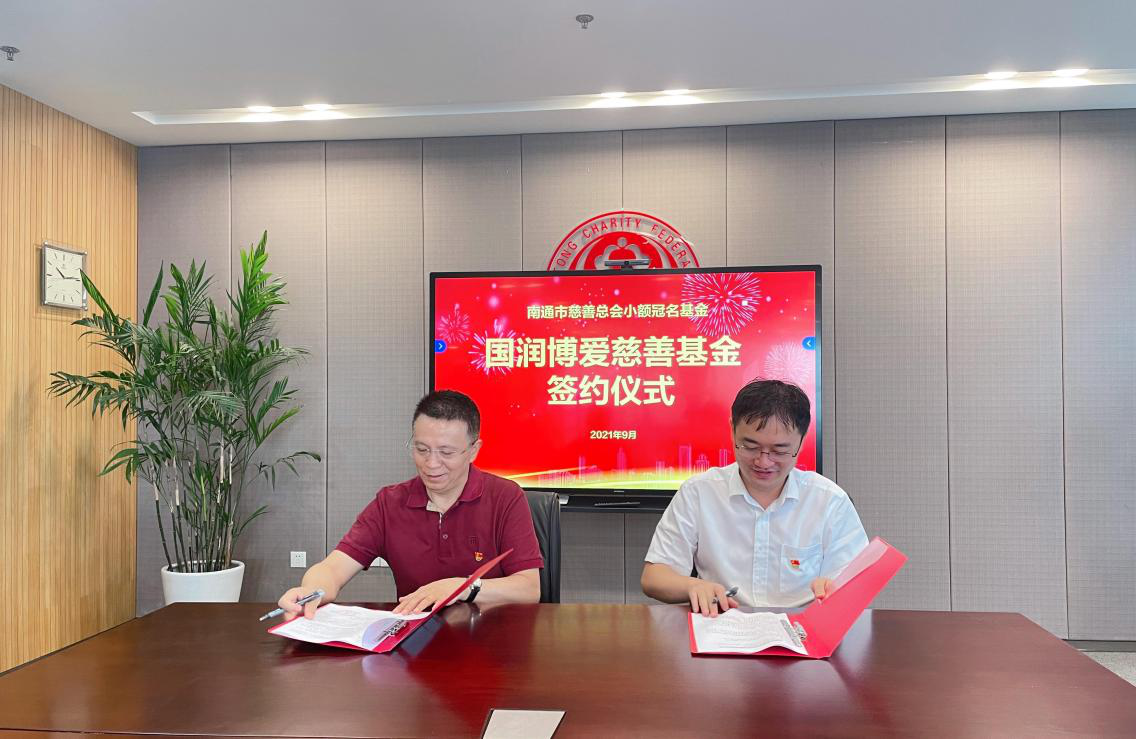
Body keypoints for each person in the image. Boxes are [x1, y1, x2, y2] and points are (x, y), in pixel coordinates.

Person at [277, 390, 543, 619]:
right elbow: (334, 568)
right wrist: (311, 592)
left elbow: (529, 588)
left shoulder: (506, 497)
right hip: (413, 644)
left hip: (492, 643)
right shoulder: (390, 503)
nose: (431, 463)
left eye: (446, 452)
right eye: (421, 449)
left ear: (474, 450)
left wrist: (461, 588)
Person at [641, 379, 868, 616]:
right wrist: (692, 586)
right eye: (750, 446)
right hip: (723, 625)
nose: (763, 461)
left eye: (779, 450)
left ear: (801, 441)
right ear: (732, 430)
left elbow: (856, 585)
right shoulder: (699, 492)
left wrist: (835, 591)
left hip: (801, 630)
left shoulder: (830, 501)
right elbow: (654, 577)